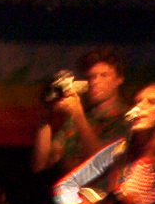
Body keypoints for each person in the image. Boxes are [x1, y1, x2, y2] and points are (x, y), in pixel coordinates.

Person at [32, 47, 130, 176]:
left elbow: (103, 162)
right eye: (91, 77)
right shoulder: (76, 120)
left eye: (104, 75)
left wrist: (78, 115)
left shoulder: (128, 119)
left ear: (119, 79)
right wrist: (45, 120)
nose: (95, 82)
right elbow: (41, 164)